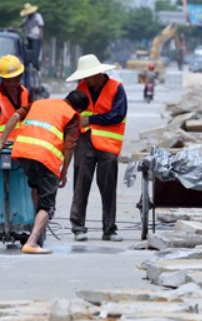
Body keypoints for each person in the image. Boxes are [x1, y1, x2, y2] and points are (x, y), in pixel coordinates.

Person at [0, 90, 89, 254]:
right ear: (79, 109)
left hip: (23, 153)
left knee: (36, 186)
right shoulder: (72, 116)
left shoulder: (39, 103)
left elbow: (14, 117)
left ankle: (38, 230)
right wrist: (63, 173)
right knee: (47, 204)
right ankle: (32, 241)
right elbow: (69, 147)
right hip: (46, 158)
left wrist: (0, 142)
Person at [66, 54, 127, 242]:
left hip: (107, 144)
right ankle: (78, 227)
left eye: (89, 76)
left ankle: (109, 229)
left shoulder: (116, 88)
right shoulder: (82, 88)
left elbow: (117, 115)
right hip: (85, 140)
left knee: (108, 187)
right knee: (80, 184)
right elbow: (70, 110)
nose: (86, 79)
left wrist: (91, 119)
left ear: (98, 73)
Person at [0, 55, 30, 145]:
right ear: (3, 79)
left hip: (23, 146)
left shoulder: (25, 93)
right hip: (3, 149)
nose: (12, 84)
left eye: (16, 79)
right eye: (8, 80)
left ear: (20, 77)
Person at [20, 3, 43, 71]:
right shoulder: (27, 18)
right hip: (28, 38)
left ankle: (37, 70)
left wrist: (40, 36)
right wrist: (15, 26)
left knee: (34, 56)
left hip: (36, 38)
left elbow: (41, 26)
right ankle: (27, 70)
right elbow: (22, 24)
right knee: (27, 56)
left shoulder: (37, 16)